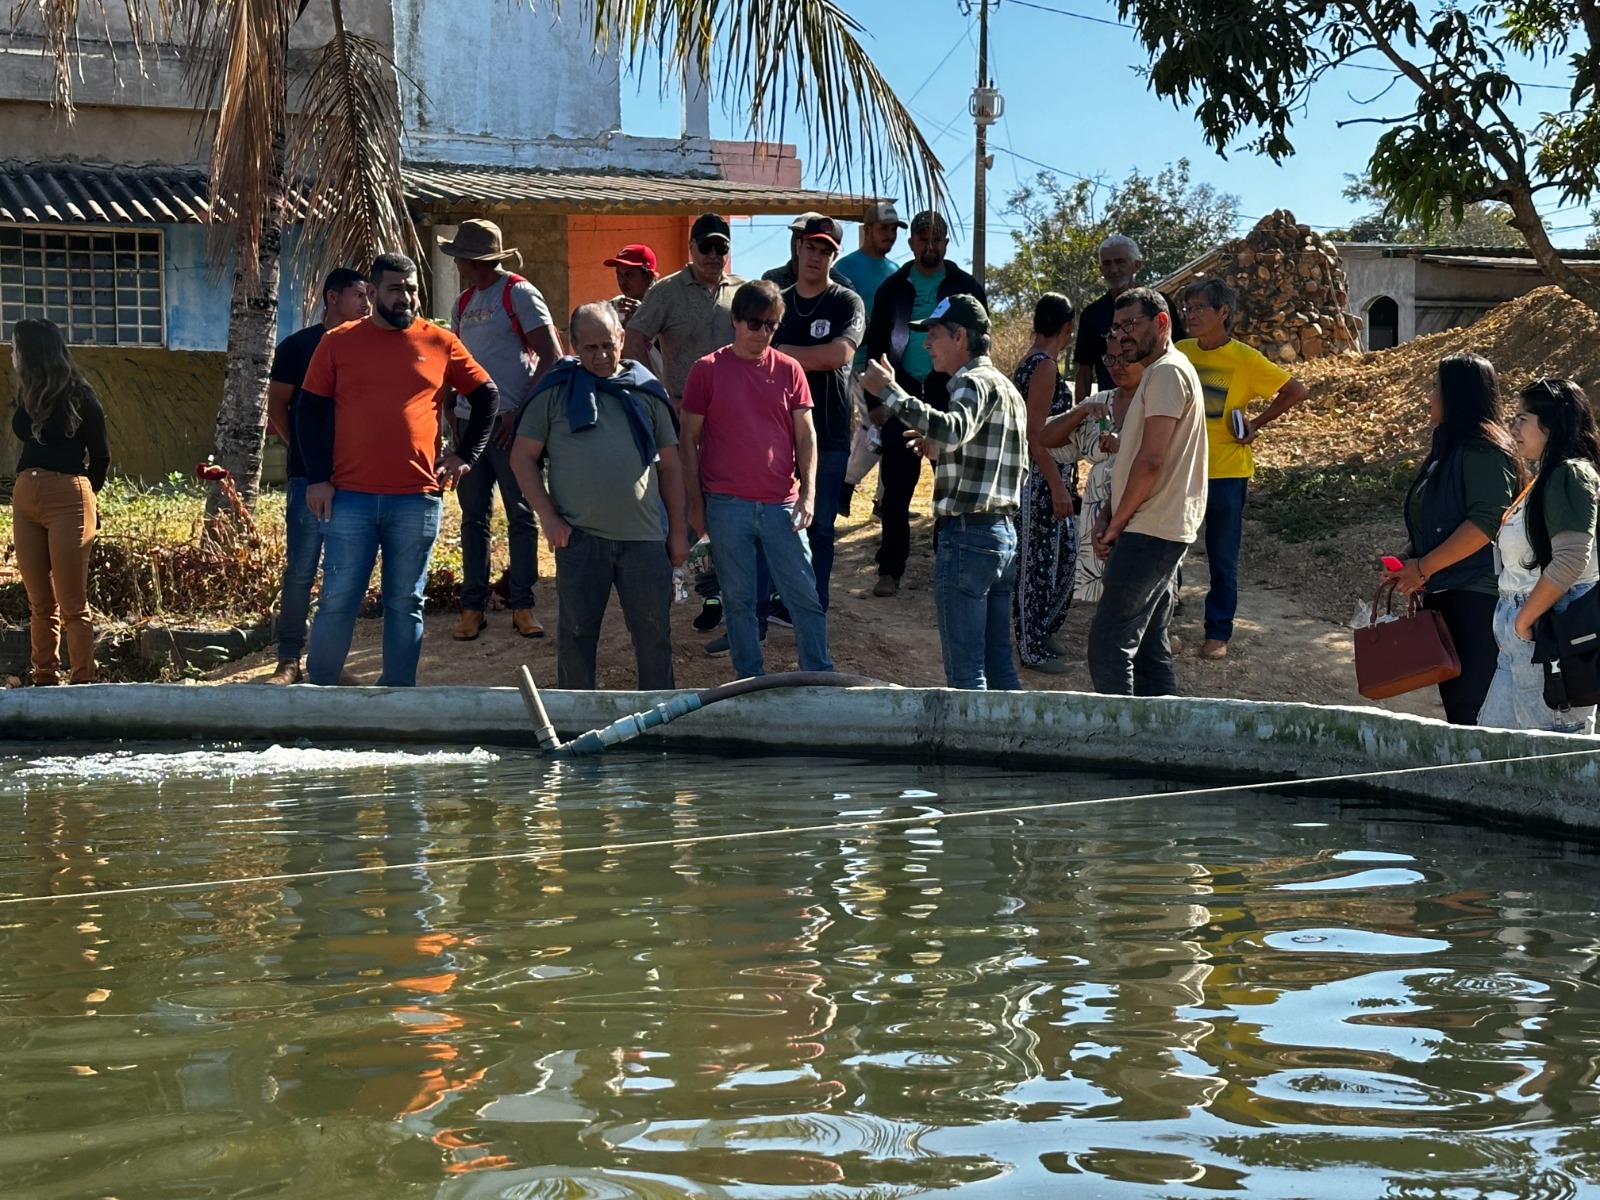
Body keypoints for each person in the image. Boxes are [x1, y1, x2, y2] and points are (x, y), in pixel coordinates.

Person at [298, 251, 499, 687]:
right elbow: (308, 413)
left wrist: (466, 455)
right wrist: (318, 479)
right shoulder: (338, 342)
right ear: (372, 292)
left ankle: (397, 699)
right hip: (349, 497)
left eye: (411, 289)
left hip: (417, 498)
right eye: (395, 288)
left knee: (405, 601)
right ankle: (320, 694)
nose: (405, 296)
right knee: (338, 600)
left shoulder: (439, 341)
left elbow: (486, 395)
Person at [512, 304, 688, 690]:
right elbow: (521, 458)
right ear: (573, 345)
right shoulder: (555, 392)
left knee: (654, 638)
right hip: (580, 538)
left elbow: (671, 467)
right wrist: (549, 517)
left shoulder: (647, 391)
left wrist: (677, 530)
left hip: (644, 539)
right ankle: (576, 732)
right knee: (576, 637)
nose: (601, 355)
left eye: (608, 344)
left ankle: (660, 729)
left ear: (622, 339)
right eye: (589, 347)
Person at [862, 294, 1027, 690]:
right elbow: (985, 450)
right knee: (998, 665)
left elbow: (953, 428)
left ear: (960, 337)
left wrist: (890, 393)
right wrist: (937, 446)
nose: (926, 343)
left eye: (933, 334)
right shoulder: (1005, 388)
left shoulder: (970, 383)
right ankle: (1009, 745)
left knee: (966, 671)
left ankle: (971, 750)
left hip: (968, 535)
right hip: (1002, 536)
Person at [680, 279, 832, 679]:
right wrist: (696, 509)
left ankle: (819, 675)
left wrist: (809, 494)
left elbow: (806, 435)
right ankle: (750, 680)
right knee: (739, 601)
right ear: (734, 320)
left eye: (770, 324)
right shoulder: (706, 371)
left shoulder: (790, 370)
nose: (762, 332)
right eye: (754, 322)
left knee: (804, 596)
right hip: (726, 505)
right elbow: (688, 442)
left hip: (783, 503)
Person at [437, 219, 562, 642]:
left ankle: (522, 605)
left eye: (459, 258)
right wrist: (452, 408)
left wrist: (522, 412)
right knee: (474, 518)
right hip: (471, 427)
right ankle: (472, 606)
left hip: (512, 426)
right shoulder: (463, 303)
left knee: (521, 515)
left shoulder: (519, 293)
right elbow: (458, 360)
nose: (455, 264)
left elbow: (552, 357)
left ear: (474, 260)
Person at [1386, 353, 1523, 725]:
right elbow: (1440, 519)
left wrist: (1424, 567)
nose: (1429, 397)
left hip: (1478, 601)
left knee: (1471, 711)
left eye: (1436, 388)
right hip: (1450, 592)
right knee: (1459, 706)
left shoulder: (1484, 452)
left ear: (1456, 395)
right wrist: (1408, 560)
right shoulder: (1450, 447)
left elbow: (1484, 522)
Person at [1176, 278, 1309, 661]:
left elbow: (1295, 390)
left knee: (1222, 557)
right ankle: (1163, 621)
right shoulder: (1180, 352)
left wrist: (1257, 423)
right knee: (1169, 550)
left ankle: (1217, 634)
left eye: (1199, 307)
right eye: (1188, 307)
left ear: (1223, 313)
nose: (1191, 314)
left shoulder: (1246, 359)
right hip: (1181, 470)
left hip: (1226, 474)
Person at [1086, 288, 1208, 697]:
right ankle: (1167, 747)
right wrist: (1108, 512)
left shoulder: (1167, 372)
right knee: (1149, 650)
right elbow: (1138, 456)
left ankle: (1117, 748)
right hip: (1149, 525)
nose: (1122, 336)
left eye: (1131, 325)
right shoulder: (1162, 372)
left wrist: (1115, 524)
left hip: (1151, 529)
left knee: (1108, 645)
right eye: (1117, 327)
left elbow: (1152, 461)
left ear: (1161, 323)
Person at [624, 213, 743, 634]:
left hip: (733, 422)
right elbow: (634, 340)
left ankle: (718, 596)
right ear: (691, 248)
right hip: (679, 418)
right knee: (680, 504)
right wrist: (657, 392)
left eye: (721, 248)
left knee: (726, 507)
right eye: (705, 247)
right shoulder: (666, 291)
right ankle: (665, 592)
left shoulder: (742, 292)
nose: (713, 255)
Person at [861, 210, 985, 598]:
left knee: (951, 483)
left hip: (949, 396)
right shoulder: (893, 287)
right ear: (911, 243)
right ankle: (890, 569)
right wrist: (876, 400)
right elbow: (875, 342)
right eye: (922, 239)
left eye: (937, 240)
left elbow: (982, 340)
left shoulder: (964, 286)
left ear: (946, 243)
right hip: (902, 394)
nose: (929, 246)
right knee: (896, 488)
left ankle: (946, 564)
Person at [263, 267, 371, 684]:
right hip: (307, 480)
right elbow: (278, 407)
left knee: (343, 575)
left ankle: (327, 663)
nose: (366, 304)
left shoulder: (370, 346)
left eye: (368, 296)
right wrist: (305, 455)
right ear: (332, 297)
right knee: (302, 569)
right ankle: (288, 659)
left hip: (358, 482)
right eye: (358, 295)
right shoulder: (298, 347)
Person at [1478, 379, 1600, 733]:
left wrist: (1522, 620)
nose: (1512, 428)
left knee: (1553, 755)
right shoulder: (1547, 477)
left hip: (1549, 633)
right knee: (1490, 748)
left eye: (1522, 419)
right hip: (1527, 635)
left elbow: (1572, 558)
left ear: (1553, 424)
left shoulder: (1571, 475)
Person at [9, 318, 109, 686]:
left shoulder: (80, 395)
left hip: (68, 497)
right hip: (26, 497)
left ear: (34, 351)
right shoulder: (29, 392)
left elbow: (101, 458)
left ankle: (83, 681)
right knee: (39, 601)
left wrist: (82, 498)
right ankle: (44, 678)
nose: (12, 353)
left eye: (17, 346)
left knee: (71, 603)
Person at [773, 215, 866, 610]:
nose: (816, 256)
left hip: (828, 432)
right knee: (777, 526)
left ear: (835, 256)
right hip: (776, 436)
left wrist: (780, 355)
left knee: (821, 527)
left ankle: (814, 604)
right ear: (798, 248)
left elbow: (838, 355)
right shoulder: (778, 302)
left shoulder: (847, 301)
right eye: (811, 247)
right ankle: (780, 601)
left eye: (825, 250)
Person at [1012, 293, 1083, 674]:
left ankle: (1042, 630)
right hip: (1040, 478)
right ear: (1067, 328)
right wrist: (1057, 485)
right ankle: (1031, 646)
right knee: (1037, 565)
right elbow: (1034, 434)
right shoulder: (1043, 367)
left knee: (1063, 557)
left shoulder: (1033, 361)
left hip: (1049, 475)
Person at [1040, 349, 1141, 605]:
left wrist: (1126, 443)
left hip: (1142, 513)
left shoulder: (1156, 402)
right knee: (1107, 605)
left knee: (1138, 596)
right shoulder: (1101, 403)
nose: (1117, 366)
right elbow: (1045, 438)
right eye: (1110, 359)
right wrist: (1081, 411)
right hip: (1098, 525)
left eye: (1125, 358)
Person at [835, 200, 906, 517]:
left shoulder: (896, 272)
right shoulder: (845, 269)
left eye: (893, 230)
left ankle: (883, 499)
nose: (889, 235)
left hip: (893, 366)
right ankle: (845, 486)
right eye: (883, 228)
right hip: (859, 364)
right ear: (866, 230)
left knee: (892, 433)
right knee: (874, 431)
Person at [1073, 234, 1142, 402]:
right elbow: (1084, 373)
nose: (1113, 269)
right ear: (1101, 270)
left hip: (1154, 405)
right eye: (1107, 264)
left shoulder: (1158, 306)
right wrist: (1081, 417)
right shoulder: (1092, 314)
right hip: (1110, 411)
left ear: (1136, 265)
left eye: (1120, 262)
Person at [761, 213, 852, 291]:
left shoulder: (841, 286)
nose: (796, 244)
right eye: (796, 237)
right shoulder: (772, 279)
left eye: (824, 251)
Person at [605, 243, 658, 327]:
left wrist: (645, 317)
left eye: (629, 275)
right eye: (619, 274)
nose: (622, 281)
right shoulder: (614, 307)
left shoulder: (668, 306)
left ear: (648, 276)